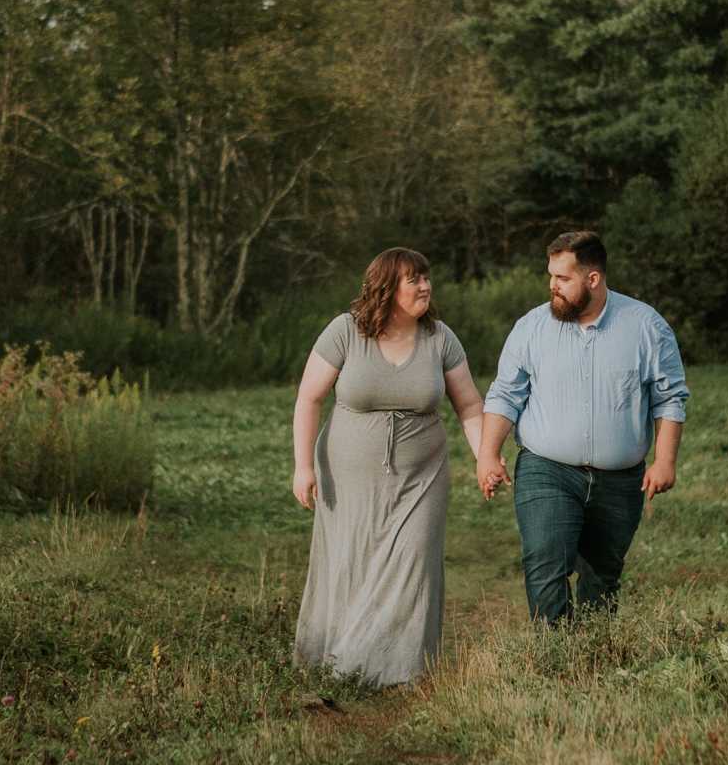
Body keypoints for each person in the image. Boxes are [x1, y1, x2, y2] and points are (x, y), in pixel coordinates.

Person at [291, 247, 487, 686]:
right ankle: (344, 665)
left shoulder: (439, 337)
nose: (425, 286)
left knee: (414, 561)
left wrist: (485, 457)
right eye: (413, 279)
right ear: (387, 288)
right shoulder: (346, 331)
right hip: (347, 478)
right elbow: (309, 398)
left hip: (424, 476)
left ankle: (401, 672)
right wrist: (303, 467)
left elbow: (470, 403)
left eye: (426, 277)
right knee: (353, 563)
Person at [473, 230, 688, 624]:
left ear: (593, 279)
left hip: (621, 481)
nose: (552, 286)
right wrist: (488, 455)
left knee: (601, 578)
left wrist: (665, 460)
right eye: (551, 276)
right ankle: (555, 658)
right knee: (546, 564)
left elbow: (670, 398)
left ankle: (590, 660)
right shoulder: (531, 327)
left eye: (563, 278)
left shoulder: (645, 327)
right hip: (546, 469)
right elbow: (505, 394)